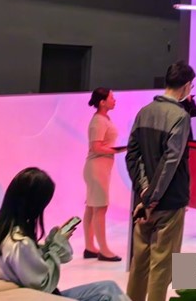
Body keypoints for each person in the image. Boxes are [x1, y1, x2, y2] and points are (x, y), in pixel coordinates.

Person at [0, 167, 128, 301]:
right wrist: (56, 247)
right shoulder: (19, 243)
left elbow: (31, 267)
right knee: (108, 293)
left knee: (108, 288)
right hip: (39, 297)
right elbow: (43, 284)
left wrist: (53, 244)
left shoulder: (6, 232)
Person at [125, 61, 195, 301]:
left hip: (143, 203)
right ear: (186, 86)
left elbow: (132, 155)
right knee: (161, 266)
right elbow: (170, 162)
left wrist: (144, 191)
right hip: (168, 202)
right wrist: (153, 197)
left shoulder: (144, 112)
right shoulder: (180, 116)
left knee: (139, 264)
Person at [82, 88, 124, 262]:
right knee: (100, 207)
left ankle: (90, 247)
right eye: (111, 98)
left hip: (100, 168)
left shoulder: (103, 119)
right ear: (102, 102)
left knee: (92, 207)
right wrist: (118, 150)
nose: (115, 100)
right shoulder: (98, 121)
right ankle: (104, 250)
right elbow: (96, 147)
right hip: (97, 168)